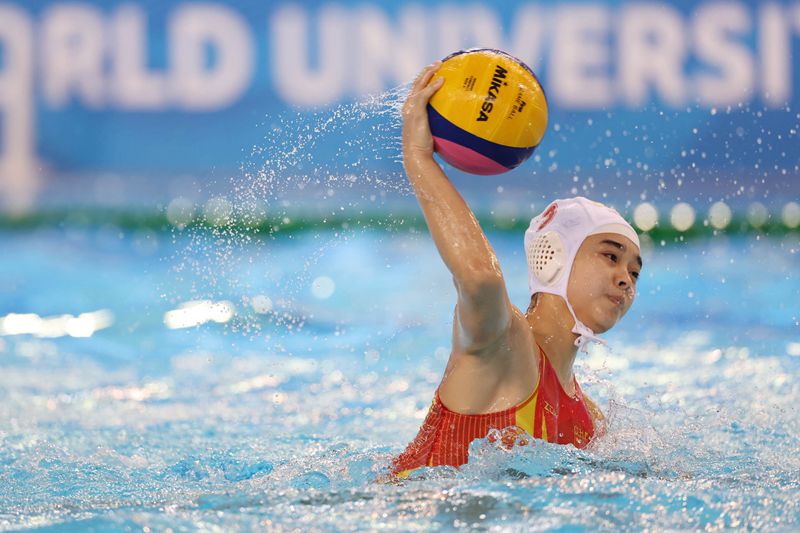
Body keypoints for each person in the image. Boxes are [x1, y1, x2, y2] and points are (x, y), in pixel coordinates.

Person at [390, 62, 643, 478]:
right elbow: (479, 277)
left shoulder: (589, 419)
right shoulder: (503, 344)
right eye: (610, 257)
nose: (624, 280)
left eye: (635, 272)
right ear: (553, 255)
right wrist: (418, 157)